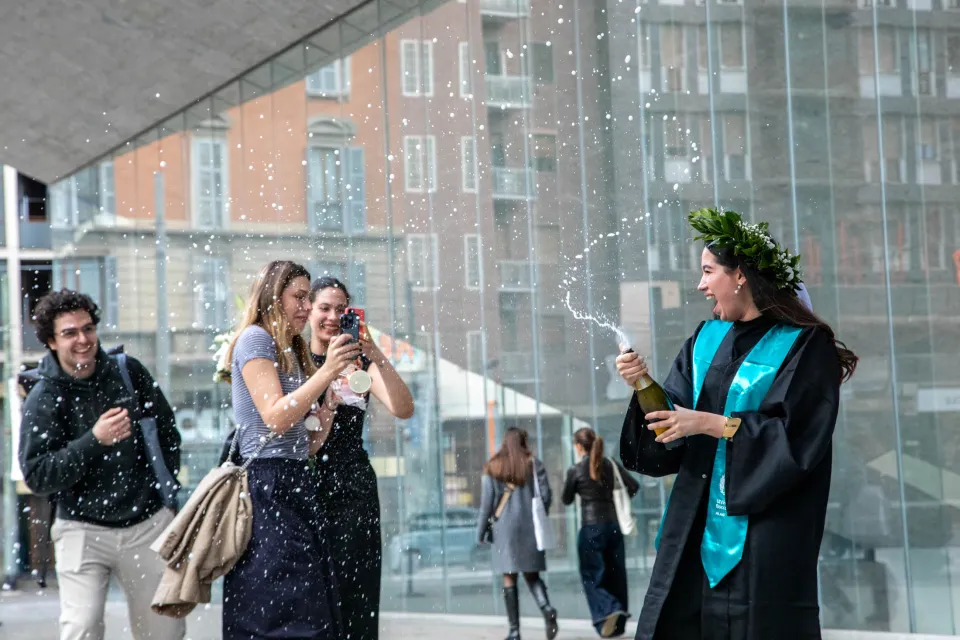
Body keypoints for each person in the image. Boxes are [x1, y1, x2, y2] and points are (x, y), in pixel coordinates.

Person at [615, 208, 858, 640]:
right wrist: (642, 385)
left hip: (760, 531)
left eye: (709, 272)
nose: (701, 284)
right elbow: (671, 421)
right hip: (692, 524)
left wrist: (712, 424)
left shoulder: (804, 345)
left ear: (740, 275)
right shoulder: (705, 338)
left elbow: (798, 439)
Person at [19, 289, 185, 640]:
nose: (82, 339)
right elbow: (37, 474)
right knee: (82, 628)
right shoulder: (44, 397)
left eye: (88, 328)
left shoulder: (128, 372)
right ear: (51, 341)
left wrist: (162, 495)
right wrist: (94, 441)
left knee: (165, 631)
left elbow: (168, 433)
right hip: (81, 529)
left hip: (146, 525)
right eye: (69, 332)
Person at [222, 260, 361, 639]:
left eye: (306, 297)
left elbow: (306, 443)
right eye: (299, 297)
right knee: (280, 606)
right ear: (273, 296)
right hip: (266, 486)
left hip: (296, 483)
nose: (305, 306)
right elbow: (275, 418)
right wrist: (326, 372)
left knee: (308, 604)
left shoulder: (291, 347)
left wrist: (329, 406)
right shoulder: (255, 339)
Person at [307, 276, 415, 640]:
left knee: (358, 593)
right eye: (324, 308)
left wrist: (374, 350)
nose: (333, 317)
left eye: (342, 309)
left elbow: (403, 408)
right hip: (306, 486)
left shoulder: (361, 359)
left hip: (354, 486)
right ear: (309, 310)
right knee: (311, 595)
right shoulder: (295, 358)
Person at [476, 427, 559, 640]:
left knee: (509, 576)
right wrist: (538, 516)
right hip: (531, 526)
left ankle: (514, 631)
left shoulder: (493, 466)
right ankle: (547, 608)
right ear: (523, 441)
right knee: (532, 575)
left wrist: (481, 531)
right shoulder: (533, 464)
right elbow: (546, 495)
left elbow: (486, 505)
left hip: (504, 529)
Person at [561, 428, 639, 637]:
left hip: (591, 528)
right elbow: (633, 486)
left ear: (579, 447)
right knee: (616, 574)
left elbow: (566, 499)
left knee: (592, 576)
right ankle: (618, 624)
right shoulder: (610, 464)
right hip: (613, 527)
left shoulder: (576, 470)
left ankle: (609, 608)